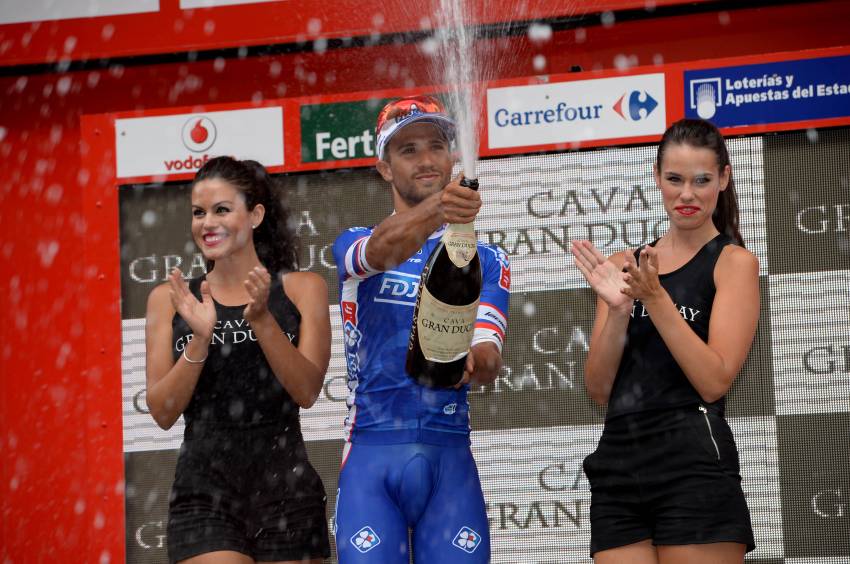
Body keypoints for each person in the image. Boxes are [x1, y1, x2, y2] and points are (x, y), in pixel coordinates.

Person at [331, 95, 510, 563]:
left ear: (454, 157)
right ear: (385, 168)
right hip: (371, 457)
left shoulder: (487, 259)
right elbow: (381, 250)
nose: (426, 159)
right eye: (407, 150)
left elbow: (490, 355)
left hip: (449, 457)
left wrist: (471, 361)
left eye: (436, 145)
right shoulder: (353, 244)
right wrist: (440, 209)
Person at [571, 118, 758, 563]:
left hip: (693, 462)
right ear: (657, 178)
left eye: (701, 180)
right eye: (674, 179)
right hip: (619, 463)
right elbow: (599, 390)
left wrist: (655, 299)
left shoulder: (733, 263)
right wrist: (618, 311)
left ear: (724, 179)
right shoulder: (624, 265)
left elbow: (714, 381)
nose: (687, 194)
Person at [144, 156, 332, 564]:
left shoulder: (303, 289)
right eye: (199, 212)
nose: (207, 223)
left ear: (256, 215)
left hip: (288, 489)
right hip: (203, 491)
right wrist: (199, 339)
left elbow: (307, 390)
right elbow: (161, 411)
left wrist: (262, 319)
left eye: (222, 210)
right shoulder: (169, 299)